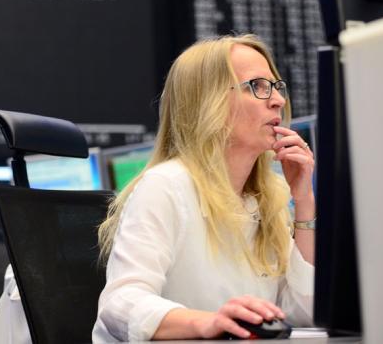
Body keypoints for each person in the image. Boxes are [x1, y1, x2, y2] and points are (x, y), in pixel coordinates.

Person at [93, 34, 315, 341]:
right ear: (209, 102)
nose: (278, 100)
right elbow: (120, 304)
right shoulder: (166, 186)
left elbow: (301, 312)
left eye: (276, 86)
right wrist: (208, 323)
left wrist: (303, 199)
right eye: (258, 86)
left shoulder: (267, 197)